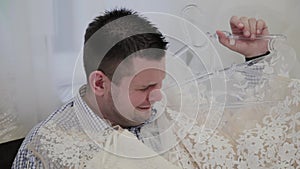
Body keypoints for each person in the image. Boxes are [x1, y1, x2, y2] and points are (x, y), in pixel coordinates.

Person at [12, 8, 282, 169]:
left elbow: (243, 117)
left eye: (160, 82)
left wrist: (256, 57)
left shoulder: (166, 105)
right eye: (144, 87)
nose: (157, 95)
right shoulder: (45, 149)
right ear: (99, 83)